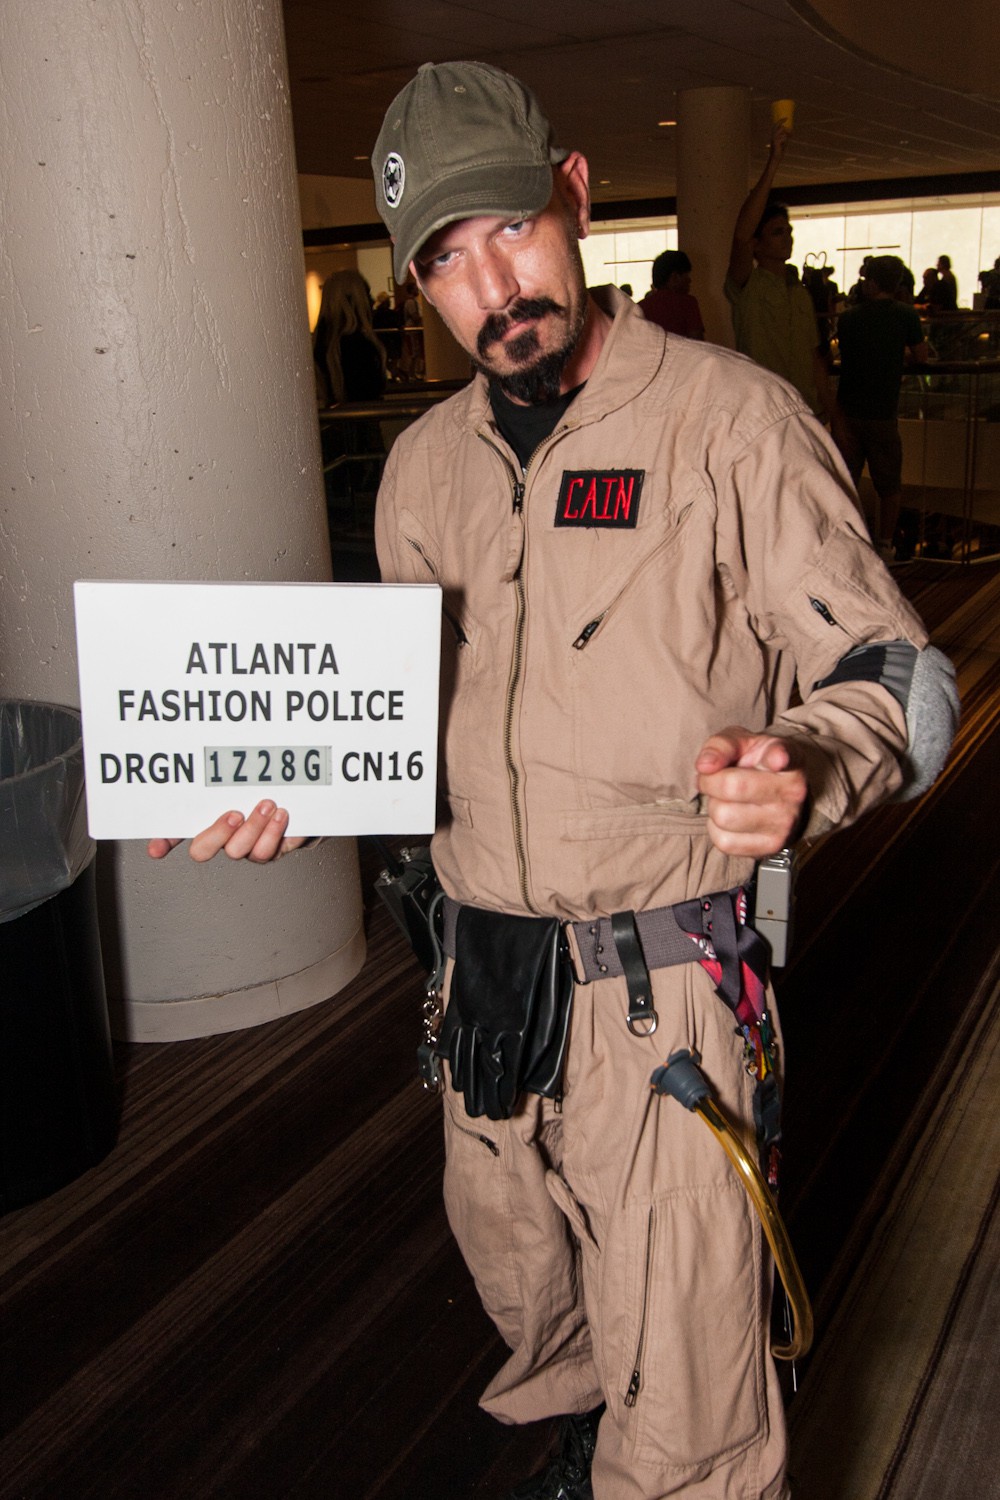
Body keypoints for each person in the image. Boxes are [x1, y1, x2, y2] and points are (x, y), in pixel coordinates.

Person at [151, 61, 958, 1500]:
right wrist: (299, 786)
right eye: (445, 262)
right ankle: (593, 1441)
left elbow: (901, 672)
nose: (493, 289)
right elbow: (414, 726)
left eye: (512, 229)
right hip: (483, 991)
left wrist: (813, 761)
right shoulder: (421, 471)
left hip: (660, 994)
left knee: (692, 1399)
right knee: (536, 1297)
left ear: (574, 194)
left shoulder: (729, 422)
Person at [725, 126, 832, 418]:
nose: (787, 238)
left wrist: (834, 413)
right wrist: (773, 163)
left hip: (806, 412)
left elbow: (814, 360)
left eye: (788, 231)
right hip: (765, 414)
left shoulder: (799, 293)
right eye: (777, 232)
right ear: (757, 244)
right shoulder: (747, 286)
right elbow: (741, 236)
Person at [832, 256, 928, 562]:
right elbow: (922, 356)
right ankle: (885, 544)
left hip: (848, 410)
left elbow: (844, 354)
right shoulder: (905, 315)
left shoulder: (849, 318)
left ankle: (846, 541)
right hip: (883, 412)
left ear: (871, 282)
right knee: (889, 484)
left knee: (845, 482)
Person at [312, 269, 387, 406]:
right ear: (355, 300)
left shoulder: (320, 342)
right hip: (363, 414)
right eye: (367, 294)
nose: (372, 301)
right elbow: (368, 390)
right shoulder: (358, 346)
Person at [639, 250, 705, 339]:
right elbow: (697, 341)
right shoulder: (688, 303)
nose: (689, 280)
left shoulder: (640, 307)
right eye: (687, 275)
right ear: (675, 277)